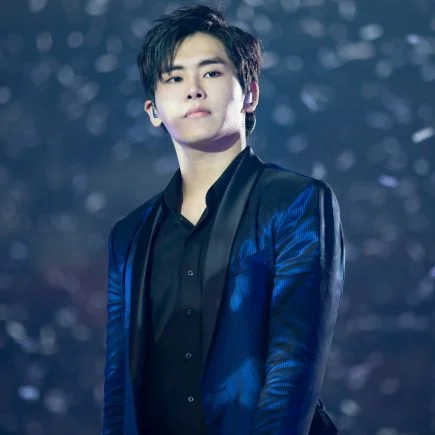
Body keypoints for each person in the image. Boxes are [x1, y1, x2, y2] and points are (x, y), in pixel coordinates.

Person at [102, 4, 345, 435]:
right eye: (174, 78)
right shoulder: (130, 235)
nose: (193, 90)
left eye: (211, 73)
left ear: (250, 94)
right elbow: (120, 388)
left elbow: (292, 370)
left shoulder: (297, 202)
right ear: (153, 111)